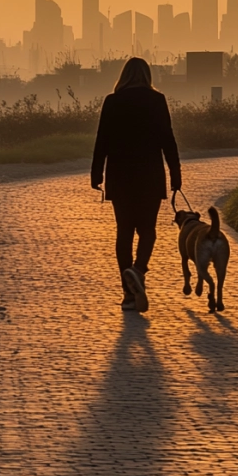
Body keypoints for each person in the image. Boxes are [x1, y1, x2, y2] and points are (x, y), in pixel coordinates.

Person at [91, 57, 181, 312]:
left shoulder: (112, 101)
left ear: (123, 76)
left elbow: (102, 140)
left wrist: (96, 174)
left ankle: (128, 294)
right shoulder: (157, 100)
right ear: (148, 76)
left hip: (120, 175)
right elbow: (168, 139)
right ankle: (139, 270)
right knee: (147, 229)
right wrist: (175, 174)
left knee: (124, 232)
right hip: (150, 174)